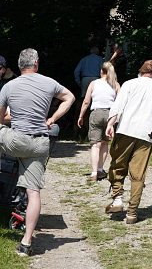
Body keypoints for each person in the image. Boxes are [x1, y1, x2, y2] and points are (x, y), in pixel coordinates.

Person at [0, 48, 74, 255]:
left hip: (15, 140)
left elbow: (0, 117)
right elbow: (70, 97)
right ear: (37, 63)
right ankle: (26, 243)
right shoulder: (50, 83)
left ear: (19, 65)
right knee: (34, 193)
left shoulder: (9, 86)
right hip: (39, 143)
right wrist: (52, 119)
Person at [104, 59, 152, 224]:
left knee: (117, 164)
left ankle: (117, 198)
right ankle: (132, 213)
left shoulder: (130, 84)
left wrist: (110, 124)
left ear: (141, 72)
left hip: (126, 130)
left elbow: (119, 106)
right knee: (138, 175)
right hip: (146, 135)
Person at [77, 61, 120, 181]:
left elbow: (86, 101)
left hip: (96, 113)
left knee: (95, 145)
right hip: (110, 114)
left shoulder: (94, 83)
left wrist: (81, 116)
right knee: (105, 143)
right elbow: (120, 102)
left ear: (101, 71)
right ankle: (101, 169)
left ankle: (94, 172)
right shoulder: (115, 84)